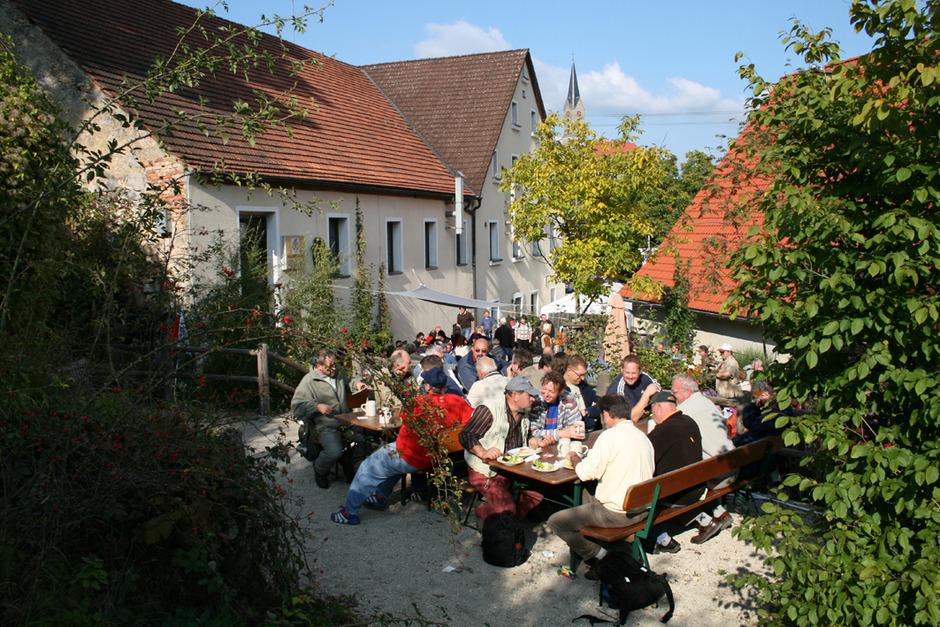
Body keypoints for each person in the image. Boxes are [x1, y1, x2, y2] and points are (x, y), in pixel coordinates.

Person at [331, 368, 472, 524]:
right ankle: (379, 497)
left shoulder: (418, 402)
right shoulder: (457, 401)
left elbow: (403, 417)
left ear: (428, 387)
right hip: (437, 457)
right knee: (388, 457)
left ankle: (348, 512)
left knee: (367, 467)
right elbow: (469, 421)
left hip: (411, 457)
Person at [547, 395, 654, 580]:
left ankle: (601, 556)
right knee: (588, 492)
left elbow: (584, 473)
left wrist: (574, 457)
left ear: (606, 414)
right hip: (643, 508)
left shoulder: (609, 436)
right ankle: (595, 540)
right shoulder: (641, 435)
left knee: (556, 522)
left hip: (618, 514)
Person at [459, 376, 544, 521]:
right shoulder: (488, 410)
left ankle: (507, 519)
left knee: (537, 494)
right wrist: (483, 452)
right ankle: (486, 511)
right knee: (506, 509)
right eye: (529, 395)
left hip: (513, 469)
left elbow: (527, 437)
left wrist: (537, 441)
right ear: (515, 396)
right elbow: (466, 435)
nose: (532, 399)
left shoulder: (523, 413)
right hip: (487, 471)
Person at [670, 373, 736, 543]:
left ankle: (704, 520)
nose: (672, 396)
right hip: (732, 465)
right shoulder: (707, 402)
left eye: (674, 392)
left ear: (687, 393)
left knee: (673, 482)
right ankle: (719, 511)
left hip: (718, 475)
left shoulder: (686, 410)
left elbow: (665, 427)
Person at [291, 350, 365, 489]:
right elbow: (296, 407)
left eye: (335, 364)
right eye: (330, 365)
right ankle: (320, 470)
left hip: (346, 421)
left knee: (369, 438)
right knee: (334, 451)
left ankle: (347, 459)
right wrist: (316, 407)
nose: (334, 368)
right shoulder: (309, 381)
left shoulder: (339, 373)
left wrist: (356, 384)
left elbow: (348, 382)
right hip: (325, 425)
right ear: (319, 366)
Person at [644, 391, 703, 553]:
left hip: (676, 495)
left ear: (657, 407)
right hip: (696, 488)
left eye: (652, 410)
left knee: (638, 491)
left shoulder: (662, 431)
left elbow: (644, 460)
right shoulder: (690, 421)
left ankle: (660, 536)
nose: (652, 415)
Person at [528, 371, 583, 447]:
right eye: (544, 389)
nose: (546, 394)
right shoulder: (536, 402)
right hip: (541, 445)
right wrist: (561, 433)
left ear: (560, 392)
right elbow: (533, 432)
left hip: (563, 444)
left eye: (551, 392)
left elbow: (574, 427)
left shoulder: (569, 400)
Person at [606, 354, 661, 423]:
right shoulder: (617, 389)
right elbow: (633, 417)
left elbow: (657, 387)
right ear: (622, 369)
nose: (630, 376)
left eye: (634, 373)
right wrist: (646, 395)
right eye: (627, 372)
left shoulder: (643, 376)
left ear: (639, 371)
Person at [563, 354, 600, 431]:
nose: (583, 378)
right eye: (580, 375)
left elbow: (600, 406)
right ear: (569, 371)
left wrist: (587, 412)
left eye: (584, 375)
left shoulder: (584, 387)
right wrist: (590, 419)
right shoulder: (560, 389)